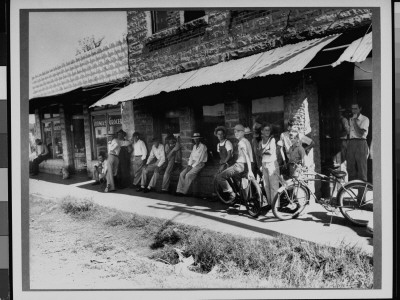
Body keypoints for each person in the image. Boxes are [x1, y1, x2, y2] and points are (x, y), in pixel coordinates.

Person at [216, 124, 254, 203]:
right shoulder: (247, 141)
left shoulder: (241, 143)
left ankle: (231, 193)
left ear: (243, 133)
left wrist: (250, 171)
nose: (236, 133)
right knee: (237, 179)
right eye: (235, 132)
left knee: (220, 177)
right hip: (246, 166)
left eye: (238, 132)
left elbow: (247, 156)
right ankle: (243, 197)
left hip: (240, 166)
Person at [346, 103, 369, 182]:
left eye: (356, 109)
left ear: (360, 109)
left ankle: (362, 193)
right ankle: (352, 190)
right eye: (352, 109)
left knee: (361, 168)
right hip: (351, 143)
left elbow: (360, 134)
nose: (354, 111)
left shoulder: (365, 119)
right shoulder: (351, 119)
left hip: (361, 142)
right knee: (350, 167)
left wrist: (355, 121)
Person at [259, 123, 280, 206]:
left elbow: (270, 152)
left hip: (272, 164)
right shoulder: (261, 141)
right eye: (265, 130)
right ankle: (270, 204)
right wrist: (264, 151)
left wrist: (262, 151)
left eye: (268, 130)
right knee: (266, 185)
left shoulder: (272, 140)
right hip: (264, 163)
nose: (267, 132)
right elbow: (259, 153)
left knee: (274, 185)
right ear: (262, 131)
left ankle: (275, 206)